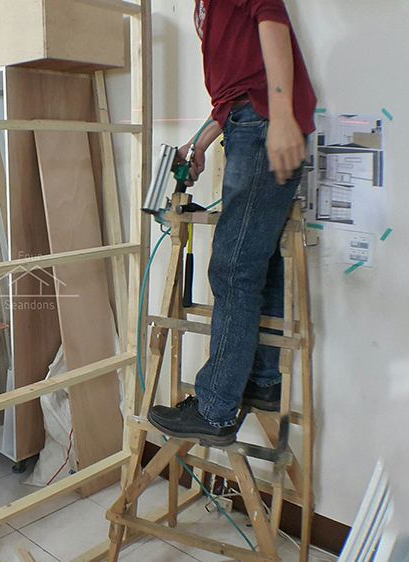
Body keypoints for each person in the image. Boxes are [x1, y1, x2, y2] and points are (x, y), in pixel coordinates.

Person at [148, 0, 317, 445]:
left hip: (260, 124)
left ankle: (215, 410)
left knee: (233, 268)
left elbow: (272, 16)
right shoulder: (207, 8)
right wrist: (200, 142)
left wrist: (281, 116)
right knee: (261, 261)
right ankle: (262, 380)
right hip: (249, 121)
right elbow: (233, 95)